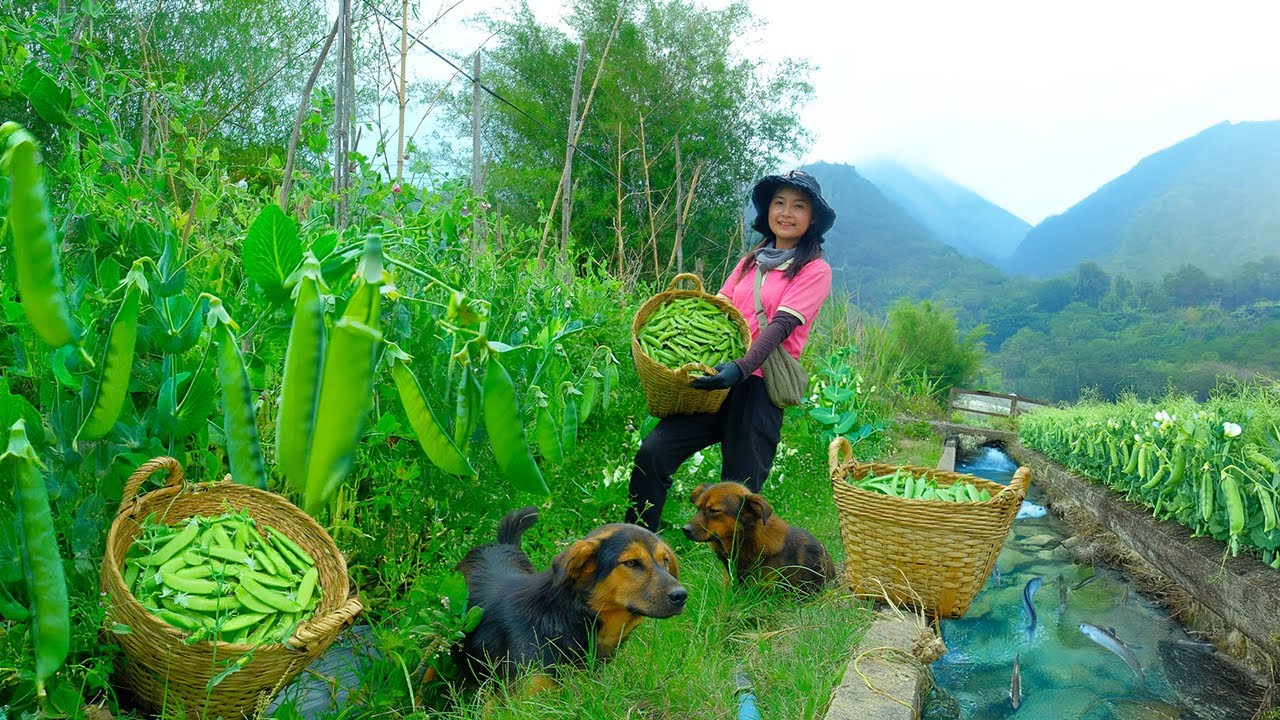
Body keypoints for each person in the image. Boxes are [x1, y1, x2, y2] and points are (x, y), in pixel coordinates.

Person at [626, 169, 836, 532]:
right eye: (779, 203)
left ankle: (740, 577)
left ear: (812, 217)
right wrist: (673, 348)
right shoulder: (751, 261)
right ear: (768, 210)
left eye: (798, 206)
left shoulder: (815, 270)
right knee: (654, 452)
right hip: (716, 381)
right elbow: (720, 308)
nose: (786, 213)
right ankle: (636, 544)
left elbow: (780, 329)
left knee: (740, 491)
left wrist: (740, 368)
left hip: (757, 387)